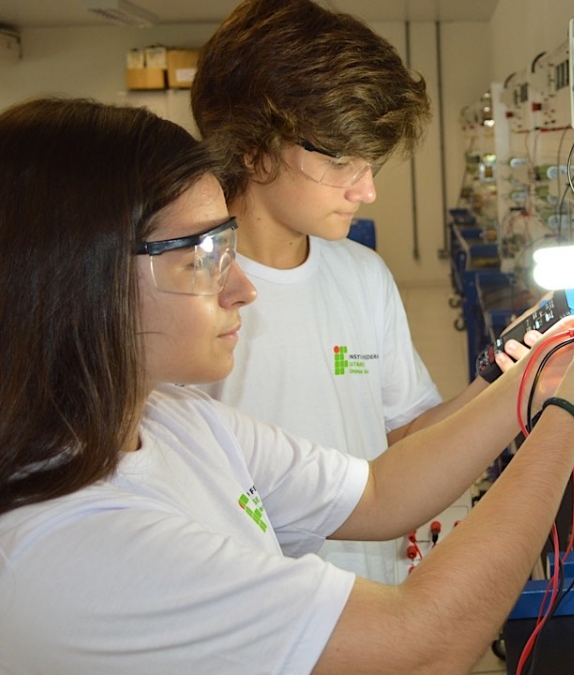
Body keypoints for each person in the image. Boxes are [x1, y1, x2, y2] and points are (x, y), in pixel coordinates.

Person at [0, 98, 574, 673]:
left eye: (227, 247)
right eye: (202, 257)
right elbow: (423, 644)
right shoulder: (75, 547)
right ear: (79, 279)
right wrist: (569, 416)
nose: (243, 287)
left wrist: (536, 380)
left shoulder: (168, 419)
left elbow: (377, 492)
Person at [190, 0, 526, 582]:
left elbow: (407, 436)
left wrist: (512, 377)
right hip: (259, 609)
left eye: (368, 161)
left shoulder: (363, 275)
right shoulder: (184, 298)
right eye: (342, 160)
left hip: (377, 592)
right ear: (252, 145)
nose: (367, 190)